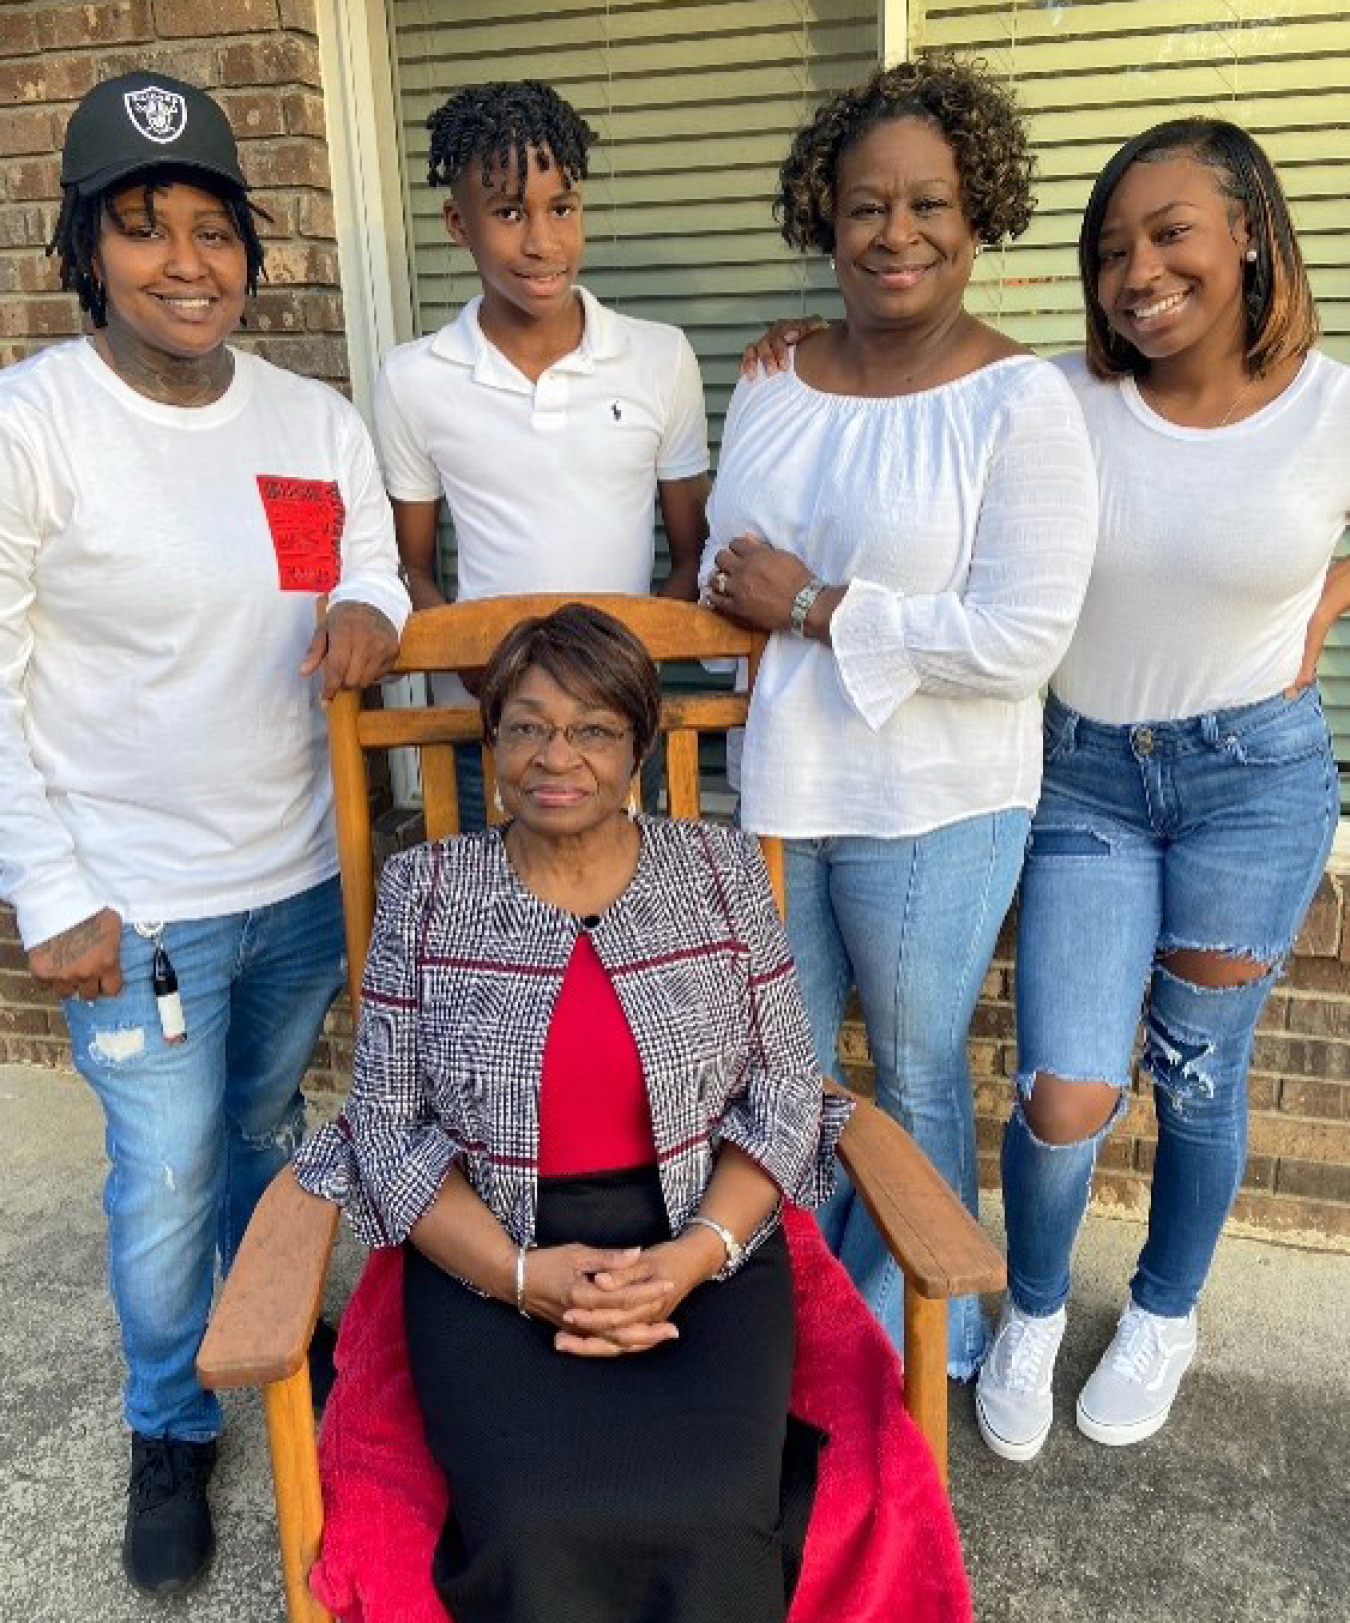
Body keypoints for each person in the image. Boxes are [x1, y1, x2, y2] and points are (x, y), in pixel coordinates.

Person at [0, 72, 409, 1593]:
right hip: (136, 904)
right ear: (85, 253)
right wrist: (49, 889)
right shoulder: (35, 425)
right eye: (142, 227)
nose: (185, 261)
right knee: (165, 1175)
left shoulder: (306, 420)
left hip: (298, 878)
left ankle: (277, 1340)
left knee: (264, 1137)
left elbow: (352, 557)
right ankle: (171, 1421)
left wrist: (373, 603)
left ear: (250, 248)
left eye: (210, 228)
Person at [294, 604, 851, 1623]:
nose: (559, 756)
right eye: (527, 726)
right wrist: (518, 1277)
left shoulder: (720, 874)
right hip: (488, 1244)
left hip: (702, 1235)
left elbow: (782, 1089)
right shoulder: (424, 890)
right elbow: (384, 1124)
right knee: (531, 1521)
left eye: (593, 728)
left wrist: (689, 1260)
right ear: (494, 740)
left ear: (638, 745)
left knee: (718, 1511)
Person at [703, 56, 1098, 1377]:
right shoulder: (769, 379)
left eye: (929, 203)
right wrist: (735, 587)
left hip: (932, 801)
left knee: (919, 1072)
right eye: (865, 205)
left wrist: (813, 601)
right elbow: (726, 556)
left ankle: (927, 1327)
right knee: (791, 1078)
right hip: (782, 786)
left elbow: (1018, 640)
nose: (897, 233)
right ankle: (812, 1318)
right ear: (826, 217)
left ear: (977, 213)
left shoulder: (1018, 401)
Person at [973, 117, 1349, 1460]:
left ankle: (1163, 1308)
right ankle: (1027, 1304)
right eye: (1111, 246)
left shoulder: (1331, 405)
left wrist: (1318, 613)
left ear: (1247, 230)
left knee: (1195, 1078)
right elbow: (917, 389)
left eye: (1168, 232)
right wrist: (797, 354)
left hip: (1255, 783)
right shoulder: (1058, 398)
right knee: (1064, 1087)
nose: (1136, 268)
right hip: (1084, 777)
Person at [374, 79, 710, 821]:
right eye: (508, 213)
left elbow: (691, 558)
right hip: (477, 724)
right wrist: (493, 680)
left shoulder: (659, 358)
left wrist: (616, 677)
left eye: (562, 208)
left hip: (615, 721)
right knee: (481, 929)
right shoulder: (414, 377)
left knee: (611, 925)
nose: (542, 242)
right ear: (458, 223)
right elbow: (412, 568)